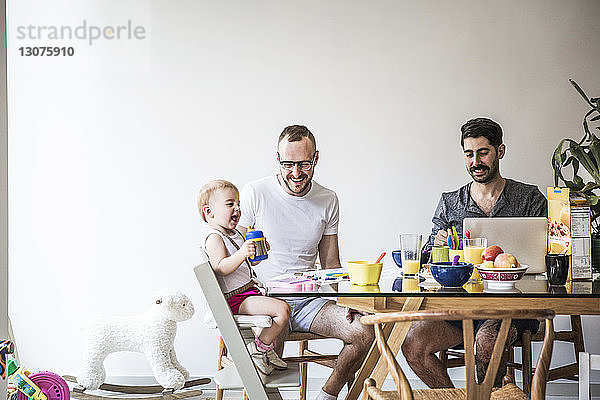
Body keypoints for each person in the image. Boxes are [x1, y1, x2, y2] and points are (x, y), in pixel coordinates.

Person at [402, 117, 547, 387]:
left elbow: (549, 255)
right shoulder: (450, 202)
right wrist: (437, 246)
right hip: (459, 309)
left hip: (512, 308)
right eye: (469, 154)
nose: (475, 162)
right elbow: (428, 258)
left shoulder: (530, 198)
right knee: (412, 343)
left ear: (499, 152)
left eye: (483, 152)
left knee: (487, 343)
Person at [238, 125, 374, 400]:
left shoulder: (327, 199)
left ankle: (326, 395)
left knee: (364, 331)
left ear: (316, 159)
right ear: (277, 160)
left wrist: (346, 302)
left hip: (309, 300)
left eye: (304, 164)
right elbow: (233, 249)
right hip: (266, 298)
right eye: (288, 164)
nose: (296, 173)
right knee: (264, 366)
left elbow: (331, 263)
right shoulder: (255, 192)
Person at [198, 179, 290, 376]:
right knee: (282, 310)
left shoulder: (235, 234)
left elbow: (246, 265)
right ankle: (259, 350)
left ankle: (265, 349)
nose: (237, 209)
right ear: (209, 212)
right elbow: (221, 267)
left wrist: (256, 253)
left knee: (282, 306)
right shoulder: (214, 237)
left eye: (238, 204)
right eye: (230, 204)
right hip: (235, 299)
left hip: (248, 292)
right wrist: (241, 253)